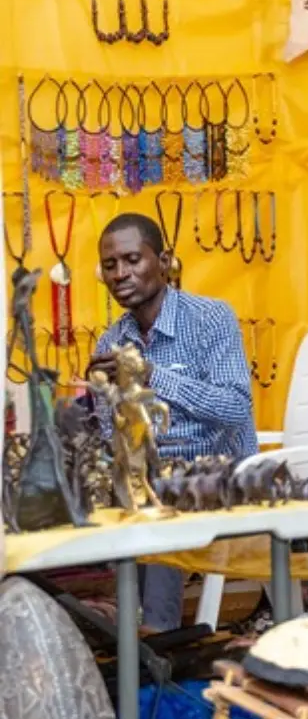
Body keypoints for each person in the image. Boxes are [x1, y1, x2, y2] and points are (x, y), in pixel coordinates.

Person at [87, 213, 257, 631]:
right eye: (110, 265)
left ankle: (155, 638)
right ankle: (114, 633)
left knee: (156, 494)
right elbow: (113, 439)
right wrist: (104, 399)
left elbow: (236, 407)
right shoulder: (111, 342)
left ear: (162, 261)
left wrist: (150, 375)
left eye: (132, 259)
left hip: (220, 472)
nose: (121, 274)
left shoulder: (210, 318)